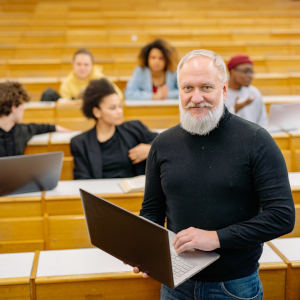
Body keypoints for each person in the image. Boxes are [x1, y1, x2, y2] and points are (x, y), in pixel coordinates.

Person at [133, 50, 295, 299]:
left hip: (234, 286)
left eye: (206, 87)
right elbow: (152, 211)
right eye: (187, 88)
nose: (196, 98)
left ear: (224, 89)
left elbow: (282, 216)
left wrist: (217, 238)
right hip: (175, 284)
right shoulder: (162, 143)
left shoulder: (256, 140)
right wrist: (144, 250)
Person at [70, 78, 157, 179]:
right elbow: (82, 180)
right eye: (112, 108)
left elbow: (165, 144)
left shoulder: (134, 128)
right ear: (97, 112)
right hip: (101, 193)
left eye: (120, 106)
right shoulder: (81, 143)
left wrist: (150, 149)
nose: (119, 111)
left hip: (134, 193)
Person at [0, 82, 70, 157]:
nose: (24, 108)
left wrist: (55, 127)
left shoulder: (20, 131)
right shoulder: (21, 131)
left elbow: (37, 127)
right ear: (13, 107)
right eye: (21, 104)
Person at [59, 48, 123, 100]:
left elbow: (118, 95)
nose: (82, 68)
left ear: (92, 65)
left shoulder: (99, 79)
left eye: (86, 65)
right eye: (79, 64)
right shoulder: (67, 83)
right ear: (72, 64)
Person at [225, 54, 268, 127]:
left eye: (251, 72)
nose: (250, 76)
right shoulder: (220, 93)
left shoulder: (254, 92)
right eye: (246, 71)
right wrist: (235, 109)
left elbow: (263, 121)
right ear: (233, 72)